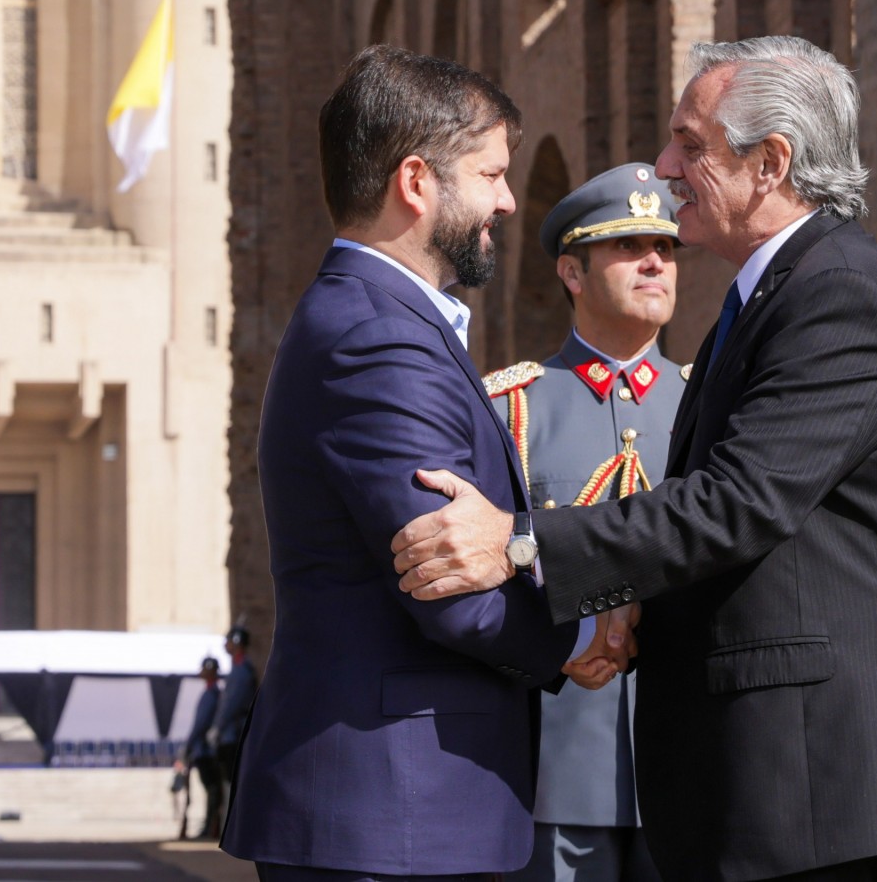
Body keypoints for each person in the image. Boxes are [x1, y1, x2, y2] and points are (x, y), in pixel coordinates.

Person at [393, 36, 877, 881]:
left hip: (818, 790)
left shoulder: (839, 295)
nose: (664, 166)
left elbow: (738, 505)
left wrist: (520, 543)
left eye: (691, 146)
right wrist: (631, 606)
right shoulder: (772, 295)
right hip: (761, 786)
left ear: (771, 163)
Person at [220, 44, 626, 881]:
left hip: (396, 807)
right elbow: (445, 579)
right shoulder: (379, 335)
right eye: (489, 174)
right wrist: (585, 634)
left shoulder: (380, 320)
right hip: (392, 807)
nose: (508, 200)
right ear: (416, 182)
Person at [488, 164, 680, 882]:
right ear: (572, 271)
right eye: (628, 246)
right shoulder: (513, 408)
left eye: (664, 246)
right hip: (554, 768)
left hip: (691, 766)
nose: (656, 261)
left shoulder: (706, 407)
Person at [175, 656, 223, 840]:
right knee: (210, 789)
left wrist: (189, 746)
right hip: (204, 749)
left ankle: (210, 827)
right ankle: (209, 825)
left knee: (211, 789)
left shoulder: (211, 694)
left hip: (205, 750)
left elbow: (201, 724)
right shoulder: (211, 693)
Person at [213, 624, 256, 787]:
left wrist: (218, 726)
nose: (226, 644)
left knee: (232, 783)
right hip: (230, 733)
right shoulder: (237, 669)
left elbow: (232, 704)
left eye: (229, 640)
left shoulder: (241, 671)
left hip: (234, 733)